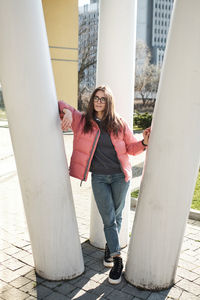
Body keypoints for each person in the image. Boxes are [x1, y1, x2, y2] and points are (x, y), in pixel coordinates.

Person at [58, 85, 150, 284]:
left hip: (120, 177)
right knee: (108, 218)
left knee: (116, 217)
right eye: (96, 98)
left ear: (109, 102)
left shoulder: (119, 123)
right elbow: (60, 104)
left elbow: (132, 148)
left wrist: (144, 142)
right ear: (92, 101)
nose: (99, 101)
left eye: (103, 99)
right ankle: (117, 260)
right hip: (99, 178)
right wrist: (65, 111)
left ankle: (110, 247)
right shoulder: (83, 121)